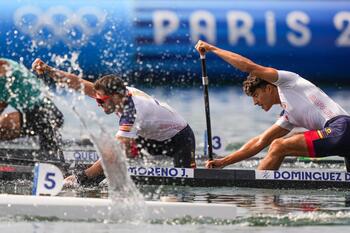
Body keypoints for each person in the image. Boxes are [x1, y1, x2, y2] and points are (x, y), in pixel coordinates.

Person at [32, 58, 196, 185]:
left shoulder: (132, 113)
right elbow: (77, 83)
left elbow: (113, 154)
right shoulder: (118, 94)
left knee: (184, 188)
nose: (98, 103)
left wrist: (80, 178)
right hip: (150, 137)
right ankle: (92, 181)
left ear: (116, 96)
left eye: (102, 101)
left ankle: (83, 180)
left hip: (180, 140)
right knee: (114, 155)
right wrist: (49, 70)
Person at [194, 40, 350, 170]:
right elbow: (260, 141)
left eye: (256, 95)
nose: (255, 102)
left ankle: (259, 198)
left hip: (342, 128)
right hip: (343, 141)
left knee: (278, 146)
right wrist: (223, 162)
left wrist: (212, 49)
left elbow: (250, 67)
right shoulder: (288, 116)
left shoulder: (287, 81)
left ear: (268, 88)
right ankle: (267, 201)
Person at [0, 58, 64, 161]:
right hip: (45, 114)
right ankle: (52, 158)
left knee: (3, 124)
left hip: (47, 114)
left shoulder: (4, 67)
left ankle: (52, 160)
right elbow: (2, 104)